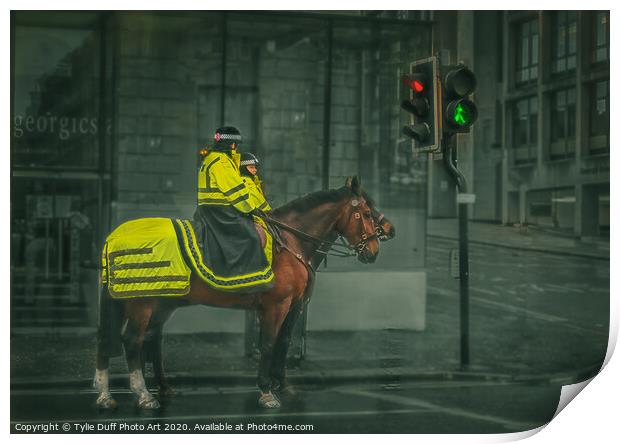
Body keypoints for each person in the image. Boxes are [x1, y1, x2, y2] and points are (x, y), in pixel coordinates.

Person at [193, 126, 273, 292]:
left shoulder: (210, 158)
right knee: (251, 237)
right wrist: (251, 208)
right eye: (236, 145)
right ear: (231, 144)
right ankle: (247, 280)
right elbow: (235, 190)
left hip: (209, 210)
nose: (236, 148)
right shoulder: (221, 161)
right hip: (220, 212)